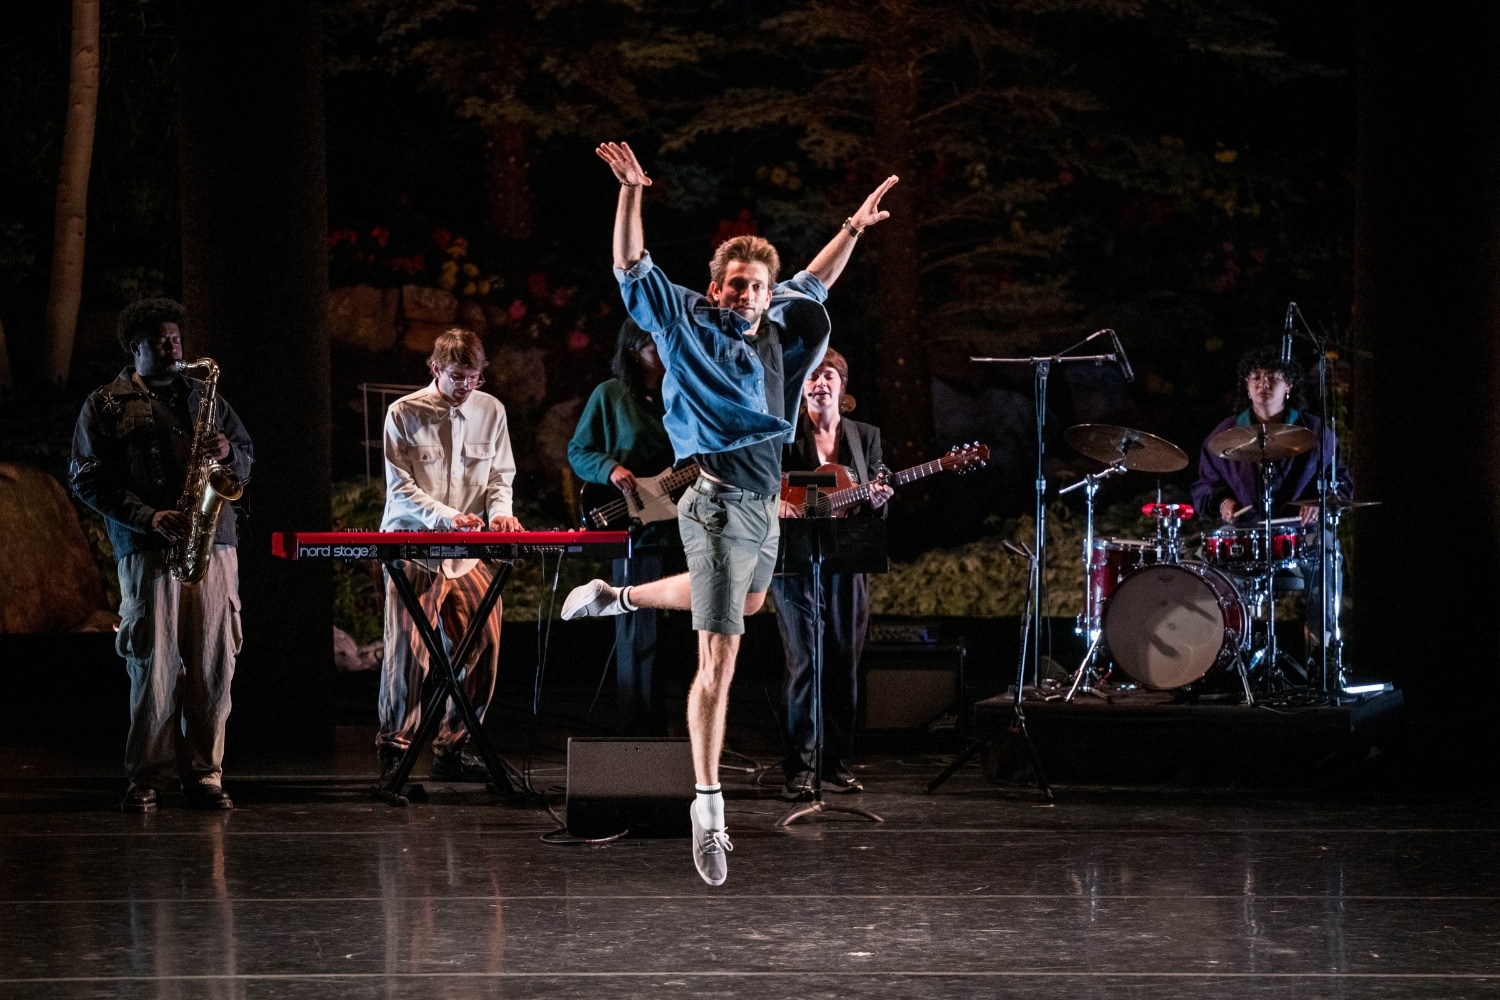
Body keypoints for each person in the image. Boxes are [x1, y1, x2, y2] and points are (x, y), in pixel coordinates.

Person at [562, 141, 897, 886]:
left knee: (747, 603)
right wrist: (631, 194)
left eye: (756, 287)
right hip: (710, 500)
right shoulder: (685, 322)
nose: (747, 295)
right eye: (737, 285)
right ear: (716, 289)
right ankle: (707, 810)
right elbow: (630, 267)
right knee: (720, 656)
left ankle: (617, 596)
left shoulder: (778, 321)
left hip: (765, 501)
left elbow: (815, 280)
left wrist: (853, 227)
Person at [70, 297, 254, 812]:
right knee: (151, 669)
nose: (174, 348)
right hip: (149, 548)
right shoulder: (105, 403)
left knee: (214, 664)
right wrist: (147, 516)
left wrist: (228, 454)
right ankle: (147, 778)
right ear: (137, 348)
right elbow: (85, 478)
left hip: (213, 543)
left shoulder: (205, 395)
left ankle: (205, 775)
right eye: (161, 342)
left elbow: (245, 452)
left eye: (177, 339)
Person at [378, 327, 522, 782]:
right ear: (436, 368)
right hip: (414, 543)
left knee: (486, 638)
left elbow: (500, 478)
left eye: (474, 377)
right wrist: (446, 517)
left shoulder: (491, 410)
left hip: (465, 549)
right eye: (458, 376)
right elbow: (401, 489)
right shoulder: (403, 413)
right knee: (407, 647)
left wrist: (500, 515)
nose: (466, 386)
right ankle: (395, 749)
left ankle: (455, 745)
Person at [772, 349, 891, 801]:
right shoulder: (783, 435)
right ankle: (799, 767)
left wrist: (880, 500)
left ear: (843, 387)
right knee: (805, 663)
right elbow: (761, 485)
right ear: (801, 387)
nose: (821, 382)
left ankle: (835, 763)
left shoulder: (866, 436)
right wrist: (776, 503)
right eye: (812, 376)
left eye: (829, 375)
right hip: (795, 563)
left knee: (842, 663)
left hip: (848, 565)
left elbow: (876, 491)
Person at [1190, 345, 1351, 658]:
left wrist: (1319, 502)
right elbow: (1205, 487)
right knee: (1197, 562)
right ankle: (1217, 656)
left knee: (1328, 551)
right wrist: (1222, 503)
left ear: (1289, 385)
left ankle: (1325, 655)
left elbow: (1342, 484)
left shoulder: (1316, 431)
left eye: (1272, 377)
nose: (1263, 383)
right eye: (1256, 377)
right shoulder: (1225, 433)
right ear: (1247, 386)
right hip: (1245, 532)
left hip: (1299, 533)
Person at [567, 318, 684, 736]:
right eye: (657, 343)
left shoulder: (680, 395)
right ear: (636, 348)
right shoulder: (610, 395)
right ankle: (642, 737)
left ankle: (681, 739)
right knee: (639, 634)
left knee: (679, 638)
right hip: (636, 534)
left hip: (683, 531)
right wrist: (609, 468)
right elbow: (578, 451)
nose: (666, 350)